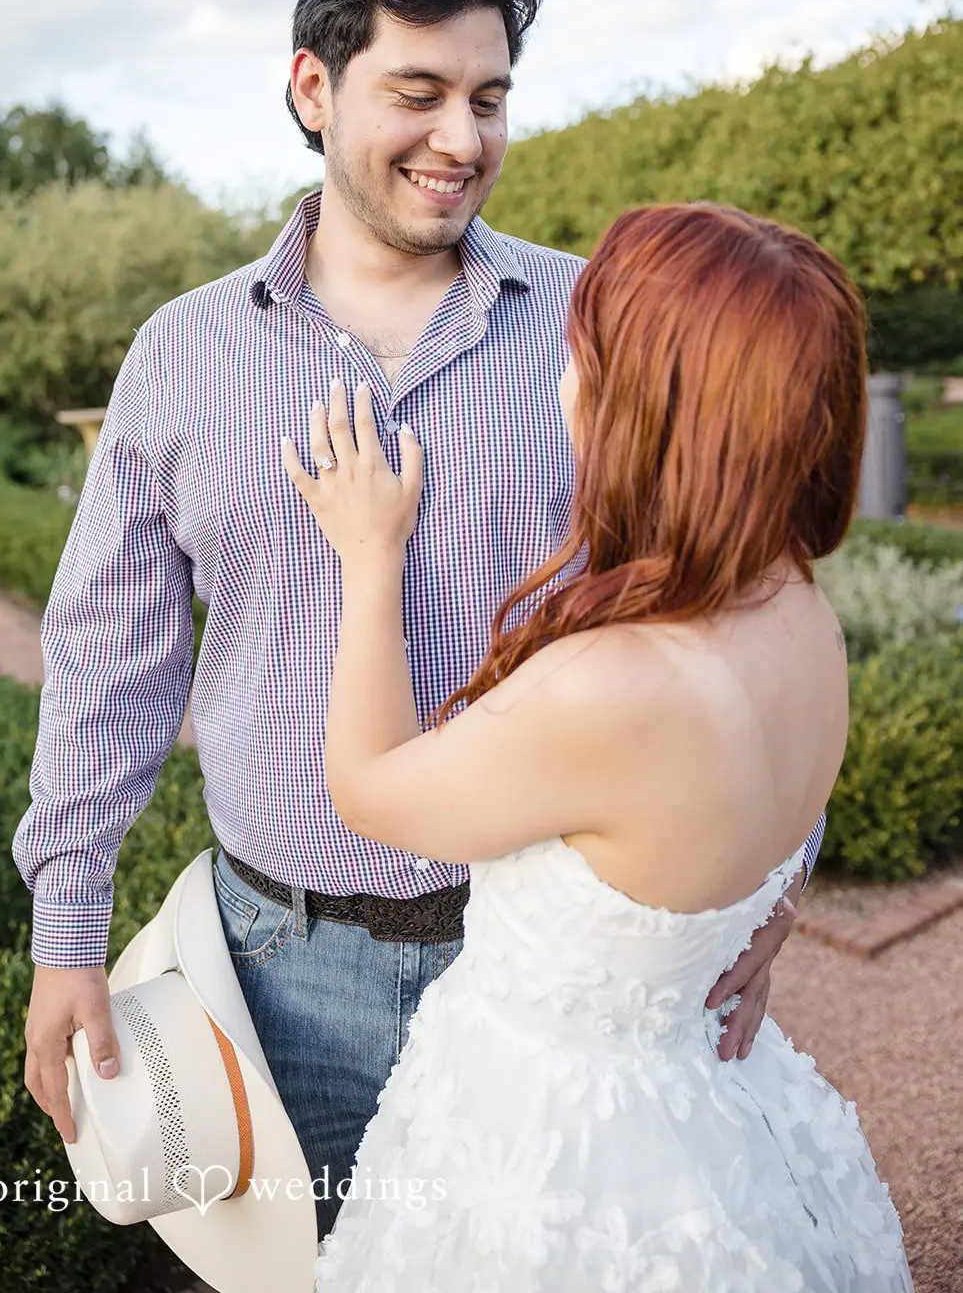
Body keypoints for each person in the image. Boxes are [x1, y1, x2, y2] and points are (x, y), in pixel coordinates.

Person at [13, 0, 822, 1243]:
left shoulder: (595, 331)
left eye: (490, 97)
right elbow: (109, 659)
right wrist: (66, 932)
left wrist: (770, 881)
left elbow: (742, 602)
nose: (463, 139)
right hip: (279, 968)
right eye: (420, 92)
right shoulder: (183, 356)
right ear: (311, 87)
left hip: (546, 977)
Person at [296, 201, 914, 1291]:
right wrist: (766, 910)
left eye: (585, 355)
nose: (564, 381)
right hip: (702, 1099)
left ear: (648, 406)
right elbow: (776, 827)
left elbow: (370, 789)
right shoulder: (797, 609)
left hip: (555, 1147)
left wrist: (367, 554)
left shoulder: (614, 686)